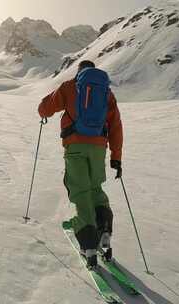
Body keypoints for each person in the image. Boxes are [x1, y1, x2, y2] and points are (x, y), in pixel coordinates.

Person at [38, 60, 123, 269]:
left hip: (75, 146)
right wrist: (116, 157)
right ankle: (104, 231)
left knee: (80, 191)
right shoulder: (106, 93)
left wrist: (43, 112)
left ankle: (89, 245)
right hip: (99, 147)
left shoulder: (70, 86)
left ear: (79, 71)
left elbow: (45, 108)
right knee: (95, 188)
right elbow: (115, 125)